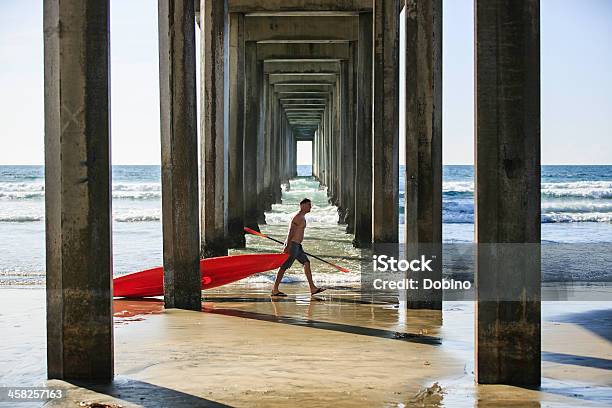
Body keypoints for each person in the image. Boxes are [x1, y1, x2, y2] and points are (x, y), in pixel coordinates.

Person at [271, 198, 325, 297]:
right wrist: (287, 245)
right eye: (308, 205)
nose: (310, 207)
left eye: (310, 205)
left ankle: (312, 288)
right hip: (293, 245)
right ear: (302, 205)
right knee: (284, 267)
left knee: (306, 263)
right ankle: (275, 289)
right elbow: (291, 231)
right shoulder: (298, 217)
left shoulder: (302, 217)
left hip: (298, 246)